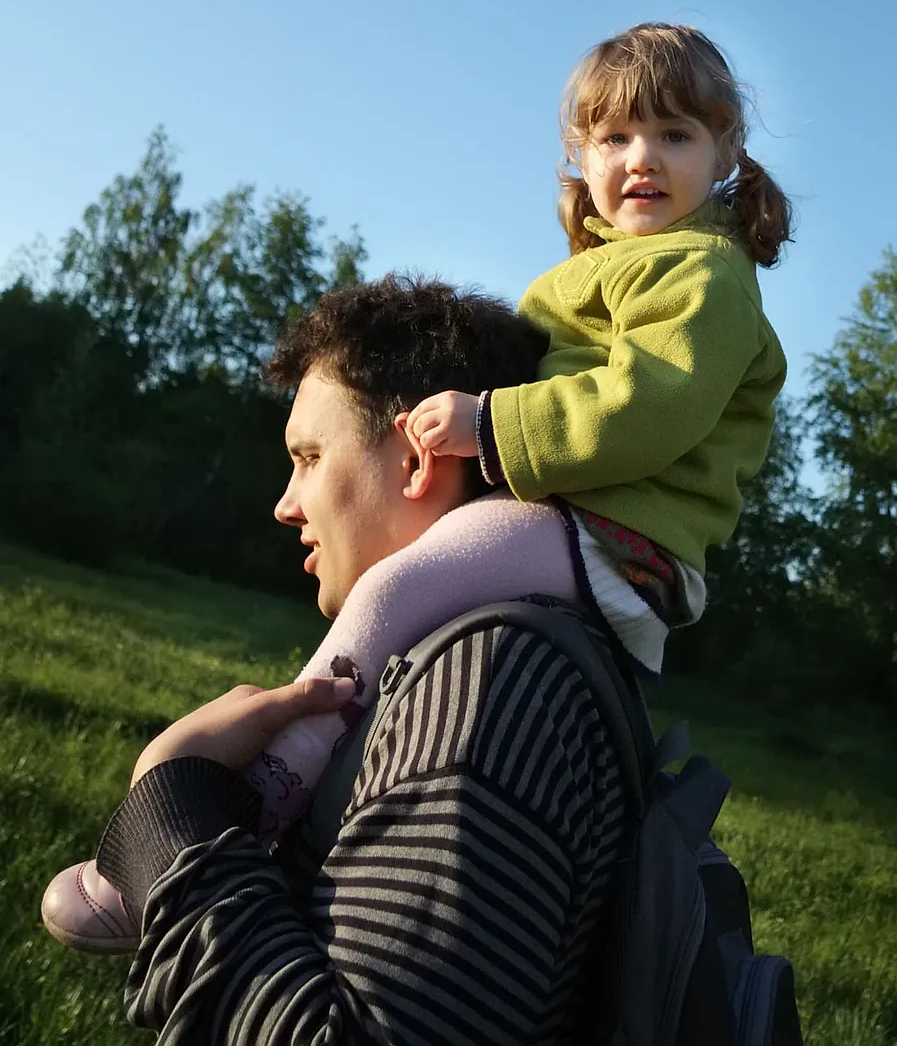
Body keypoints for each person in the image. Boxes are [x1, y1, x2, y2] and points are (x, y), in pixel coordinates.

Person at [44, 20, 791, 955]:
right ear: (579, 155)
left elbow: (650, 405)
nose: (641, 158)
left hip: (618, 536)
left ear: (725, 153)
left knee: (395, 588)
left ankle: (258, 793)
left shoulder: (704, 274)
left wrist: (490, 427)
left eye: (675, 135)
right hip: (576, 519)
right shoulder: (601, 268)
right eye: (614, 137)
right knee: (411, 602)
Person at [63, 275, 633, 1043]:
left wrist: (174, 814)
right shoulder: (469, 666)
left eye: (308, 456)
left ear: (414, 461)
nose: (285, 503)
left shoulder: (487, 689)